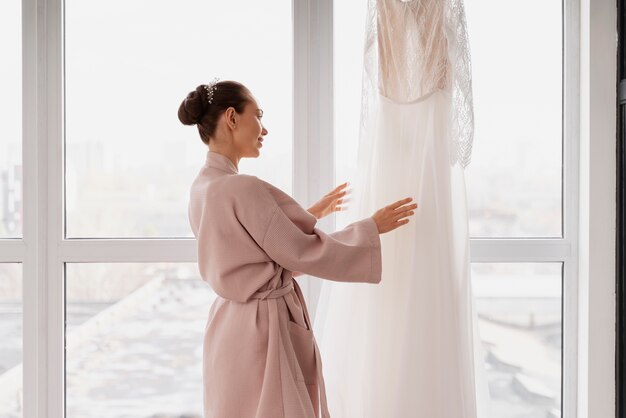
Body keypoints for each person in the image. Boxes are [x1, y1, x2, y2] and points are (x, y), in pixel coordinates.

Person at [180, 79, 417, 418]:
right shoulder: (241, 188)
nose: (264, 129)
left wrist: (312, 213)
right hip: (263, 328)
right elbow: (302, 253)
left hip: (226, 329)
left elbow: (252, 249)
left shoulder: (201, 188)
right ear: (231, 118)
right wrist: (370, 227)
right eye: (258, 115)